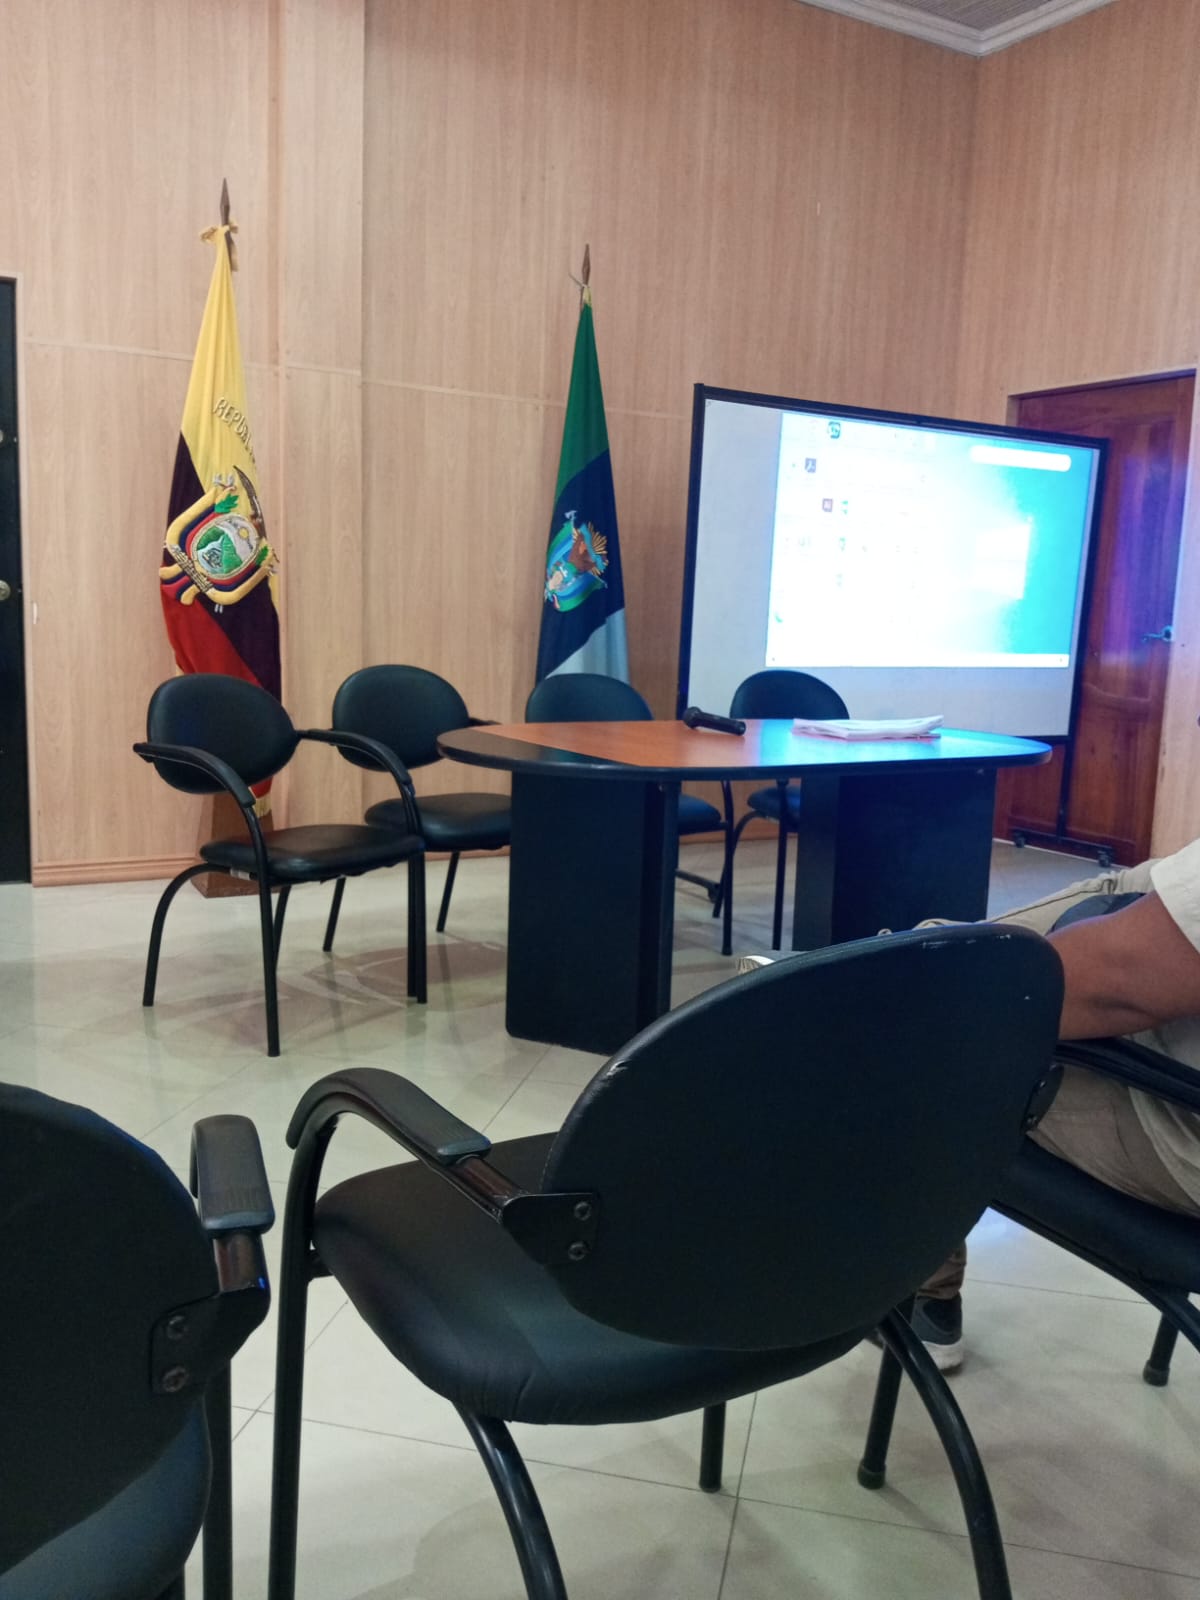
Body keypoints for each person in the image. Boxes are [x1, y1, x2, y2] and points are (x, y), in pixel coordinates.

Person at [742, 837, 1200, 1372]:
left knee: (919, 1018)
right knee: (943, 951)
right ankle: (847, 980)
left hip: (1176, 1125)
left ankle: (919, 1297)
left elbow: (1113, 984)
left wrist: (898, 995)